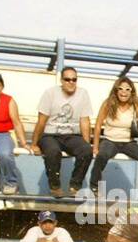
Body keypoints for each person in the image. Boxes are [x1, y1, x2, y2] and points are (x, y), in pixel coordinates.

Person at [31, 67, 93, 196]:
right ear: (61, 81)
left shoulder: (83, 94)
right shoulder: (50, 93)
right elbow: (41, 121)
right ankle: (55, 186)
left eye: (74, 80)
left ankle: (75, 186)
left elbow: (85, 121)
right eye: (67, 79)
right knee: (53, 151)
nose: (71, 82)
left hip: (72, 135)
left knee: (87, 150)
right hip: (50, 134)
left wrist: (86, 144)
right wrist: (34, 143)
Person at [89, 77, 138, 193]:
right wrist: (95, 147)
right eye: (120, 89)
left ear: (131, 92)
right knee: (101, 156)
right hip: (110, 140)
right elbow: (98, 124)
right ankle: (95, 186)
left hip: (128, 142)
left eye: (127, 89)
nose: (124, 92)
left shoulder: (137, 105)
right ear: (116, 90)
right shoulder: (108, 103)